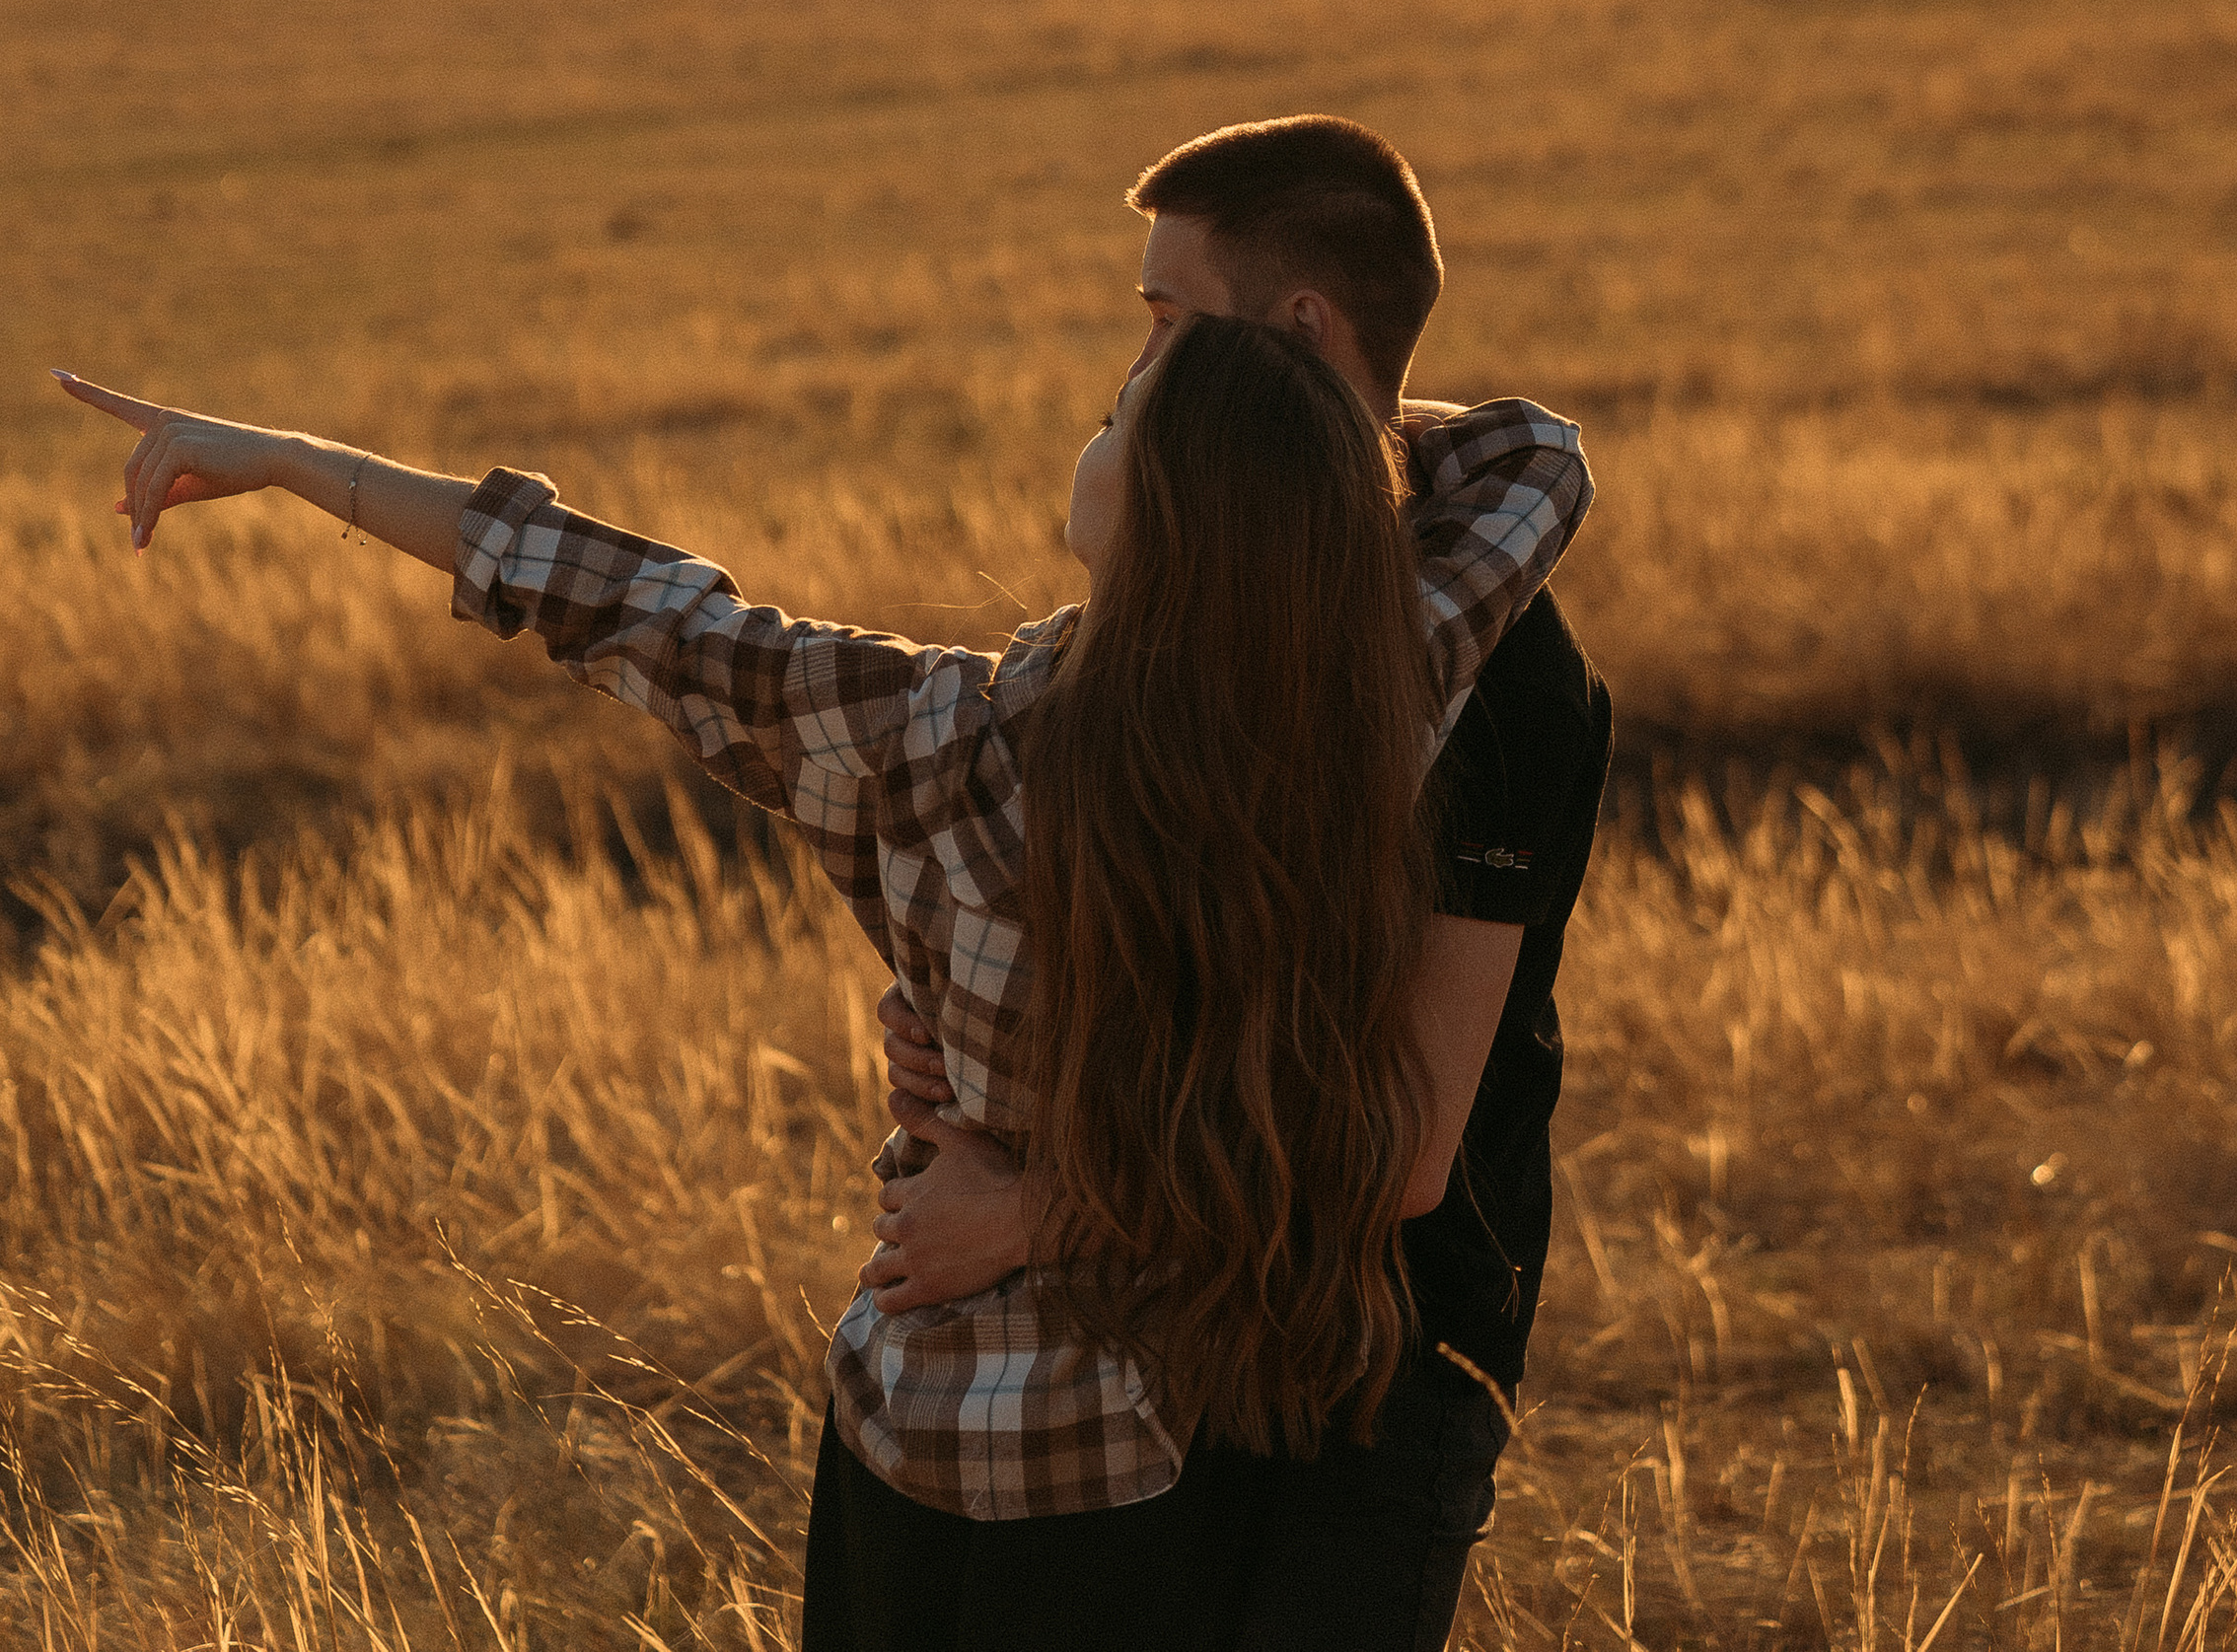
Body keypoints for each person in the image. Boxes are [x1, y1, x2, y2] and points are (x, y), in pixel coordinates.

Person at [52, 288, 1590, 1652]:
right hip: (1154, 1460)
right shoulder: (1376, 695)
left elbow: (636, 605)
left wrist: (298, 461)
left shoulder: (934, 743)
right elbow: (1536, 465)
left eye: (1125, 407)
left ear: (1162, 508)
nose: (1102, 409)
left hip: (916, 1438)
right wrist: (1310, 409)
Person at [868, 116, 1615, 1650]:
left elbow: (1402, 1154)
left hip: (1389, 1361)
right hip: (1166, 1340)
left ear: (1297, 327)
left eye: (1164, 320)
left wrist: (1026, 1219)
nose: (1139, 370)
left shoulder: (1506, 675)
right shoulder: (1180, 603)